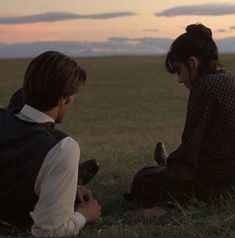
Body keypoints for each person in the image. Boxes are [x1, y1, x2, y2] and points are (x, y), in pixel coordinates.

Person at [125, 23, 235, 212]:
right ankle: (166, 164)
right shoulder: (230, 81)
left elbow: (189, 151)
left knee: (143, 179)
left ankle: (166, 165)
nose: (180, 79)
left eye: (178, 70)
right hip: (224, 172)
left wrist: (166, 203)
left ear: (193, 63)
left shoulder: (205, 87)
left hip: (220, 179)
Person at [0, 51, 101, 237]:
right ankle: (72, 177)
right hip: (18, 215)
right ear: (63, 98)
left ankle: (70, 181)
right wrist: (85, 215)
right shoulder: (62, 148)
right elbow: (50, 231)